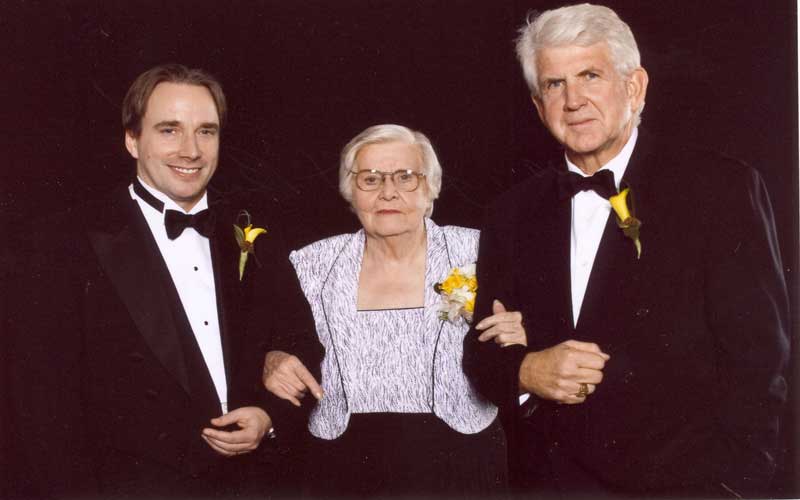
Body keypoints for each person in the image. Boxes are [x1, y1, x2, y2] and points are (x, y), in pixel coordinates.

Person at [463, 4, 789, 499]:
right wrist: (526, 370)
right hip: (551, 484)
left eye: (589, 75)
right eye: (554, 85)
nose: (572, 100)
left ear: (633, 87)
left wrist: (737, 488)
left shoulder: (719, 188)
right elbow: (483, 351)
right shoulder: (510, 212)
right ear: (537, 105)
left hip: (685, 485)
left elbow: (760, 361)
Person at [7, 64, 310, 498]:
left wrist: (270, 417)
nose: (191, 150)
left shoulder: (251, 233)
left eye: (206, 131)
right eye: (169, 130)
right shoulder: (62, 243)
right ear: (132, 139)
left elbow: (299, 340)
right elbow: (42, 408)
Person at [261, 124, 523, 497]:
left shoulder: (479, 252)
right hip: (340, 469)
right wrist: (273, 356)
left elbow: (533, 336)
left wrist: (524, 336)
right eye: (370, 179)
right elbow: (273, 341)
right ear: (349, 191)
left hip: (460, 466)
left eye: (406, 177)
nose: (388, 192)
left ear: (431, 187)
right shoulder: (310, 263)